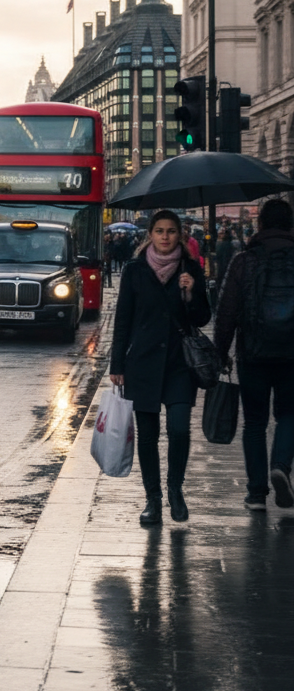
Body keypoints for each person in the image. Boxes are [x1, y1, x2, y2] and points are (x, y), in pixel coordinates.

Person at [110, 209, 212, 525]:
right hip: (142, 363)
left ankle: (175, 489)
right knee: (148, 435)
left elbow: (203, 318)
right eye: (159, 231)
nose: (165, 237)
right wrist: (116, 363)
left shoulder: (191, 268)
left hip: (180, 363)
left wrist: (191, 293)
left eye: (171, 231)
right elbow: (123, 318)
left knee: (179, 427)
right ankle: (153, 499)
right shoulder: (135, 269)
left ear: (179, 235)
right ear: (150, 235)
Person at [213, 198, 294, 510]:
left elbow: (226, 311)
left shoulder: (243, 260)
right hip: (291, 355)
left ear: (260, 225)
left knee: (255, 423)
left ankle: (256, 494)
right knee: (288, 414)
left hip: (253, 353)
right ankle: (281, 466)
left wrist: (221, 352)